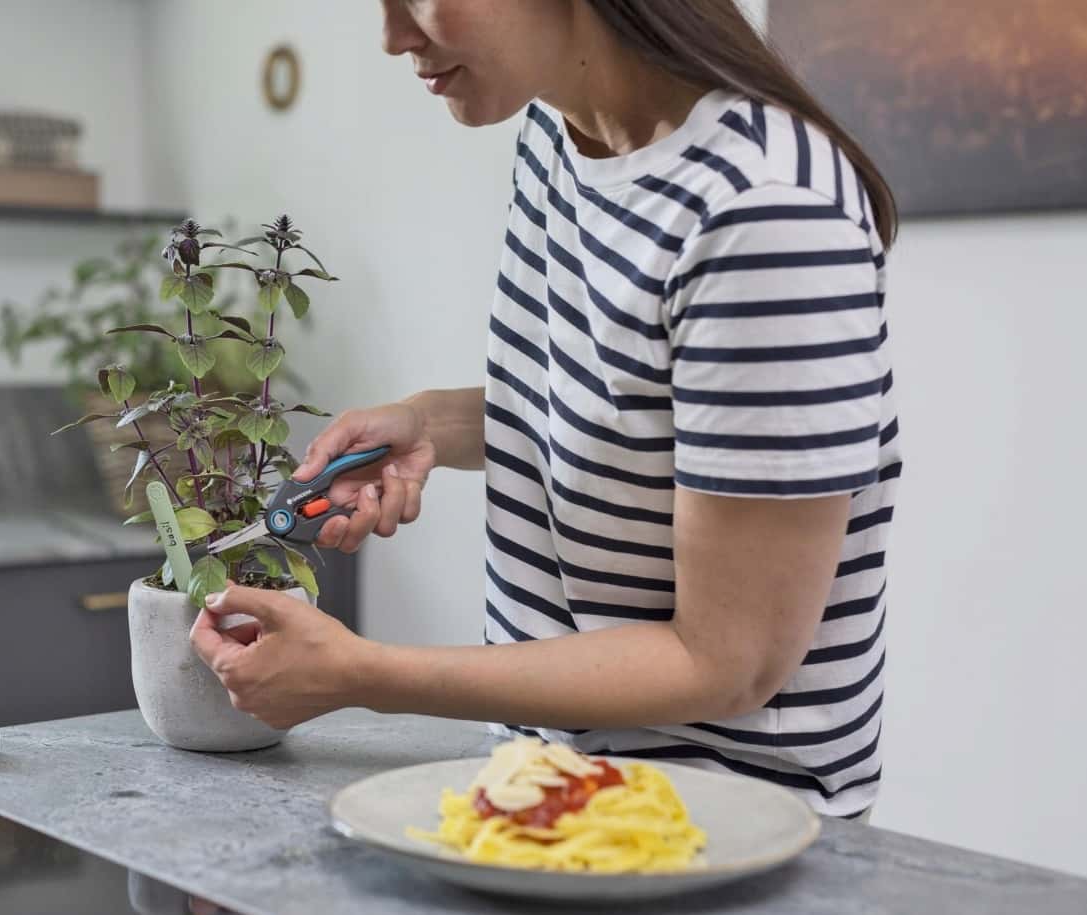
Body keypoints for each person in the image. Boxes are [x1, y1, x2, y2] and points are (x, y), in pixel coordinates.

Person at [190, 0, 900, 819]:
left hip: (720, 835)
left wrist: (361, 674)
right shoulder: (558, 139)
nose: (392, 37)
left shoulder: (767, 211)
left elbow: (727, 662)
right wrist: (434, 423)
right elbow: (643, 407)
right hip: (549, 797)